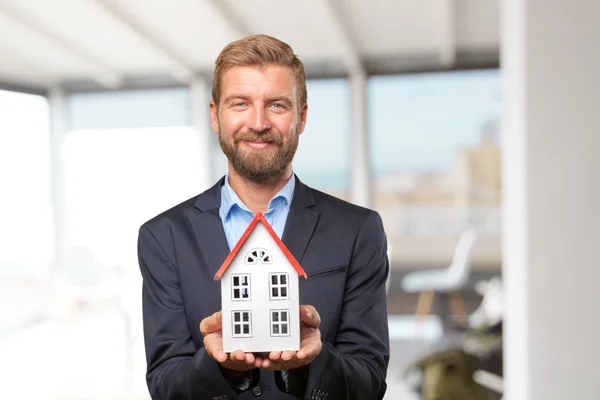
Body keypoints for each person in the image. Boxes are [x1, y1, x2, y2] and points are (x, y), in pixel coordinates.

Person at [137, 34, 390, 400]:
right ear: (214, 115)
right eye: (240, 103)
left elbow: (369, 383)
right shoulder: (163, 237)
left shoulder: (358, 230)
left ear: (301, 117)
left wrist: (310, 362)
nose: (257, 123)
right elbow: (164, 386)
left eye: (276, 105)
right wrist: (221, 367)